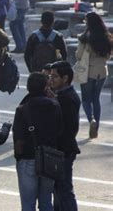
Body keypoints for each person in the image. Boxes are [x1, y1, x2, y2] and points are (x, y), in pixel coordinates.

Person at [13, 72, 63, 211]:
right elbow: (60, 130)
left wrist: (19, 158)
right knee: (46, 201)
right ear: (45, 87)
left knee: (28, 203)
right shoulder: (54, 106)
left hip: (28, 157)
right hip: (49, 158)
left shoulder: (23, 108)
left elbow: (18, 139)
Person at [49, 61, 81, 211]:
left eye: (54, 76)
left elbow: (68, 128)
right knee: (59, 191)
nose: (51, 79)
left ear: (65, 78)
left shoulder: (67, 98)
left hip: (63, 151)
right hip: (62, 151)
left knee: (64, 191)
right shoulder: (61, 95)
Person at [75, 12, 111, 139]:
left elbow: (78, 55)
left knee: (86, 99)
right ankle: (97, 126)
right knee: (96, 99)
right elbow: (108, 56)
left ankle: (91, 120)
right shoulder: (106, 37)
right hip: (102, 71)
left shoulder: (85, 38)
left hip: (88, 71)